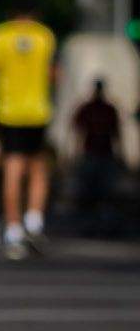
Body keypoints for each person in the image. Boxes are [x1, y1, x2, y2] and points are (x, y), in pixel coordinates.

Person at [0, 7, 57, 259]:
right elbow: (53, 74)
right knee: (38, 168)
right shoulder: (45, 36)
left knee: (12, 168)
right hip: (38, 112)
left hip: (8, 112)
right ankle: (34, 222)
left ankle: (13, 231)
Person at [71, 80, 123, 230]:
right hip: (90, 153)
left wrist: (120, 154)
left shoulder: (109, 109)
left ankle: (104, 219)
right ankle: (89, 220)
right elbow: (78, 131)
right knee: (89, 189)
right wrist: (75, 153)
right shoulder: (87, 108)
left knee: (106, 190)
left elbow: (117, 133)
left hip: (105, 153)